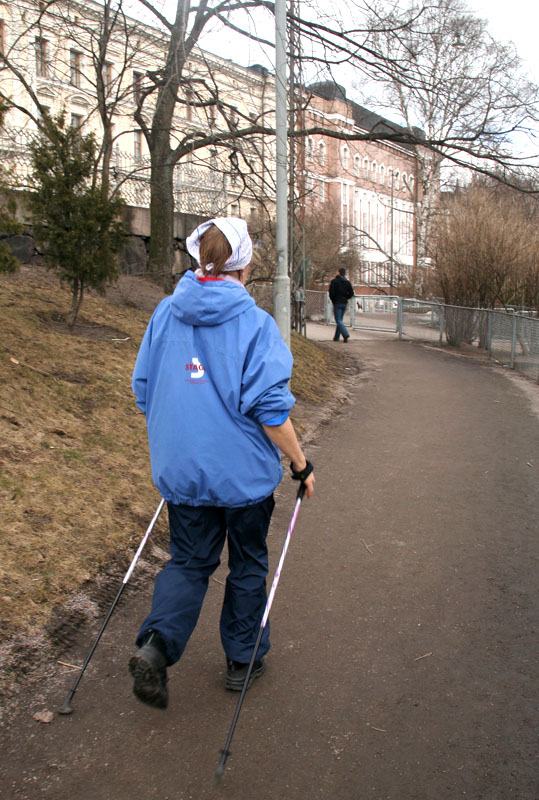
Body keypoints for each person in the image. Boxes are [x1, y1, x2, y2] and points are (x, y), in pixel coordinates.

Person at [128, 217, 315, 709]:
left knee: (188, 562)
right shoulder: (255, 325)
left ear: (197, 258)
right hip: (244, 479)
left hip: (183, 473)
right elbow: (272, 413)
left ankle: (156, 646)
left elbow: (143, 391)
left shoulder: (166, 313)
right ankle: (242, 660)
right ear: (247, 265)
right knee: (248, 564)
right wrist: (300, 465)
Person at [329, 267, 354, 342]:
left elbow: (331, 293)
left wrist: (333, 300)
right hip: (344, 302)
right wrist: (346, 298)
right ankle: (336, 337)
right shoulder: (347, 282)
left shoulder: (334, 281)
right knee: (340, 321)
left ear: (338, 272)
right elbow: (351, 293)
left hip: (337, 302)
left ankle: (345, 334)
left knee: (338, 320)